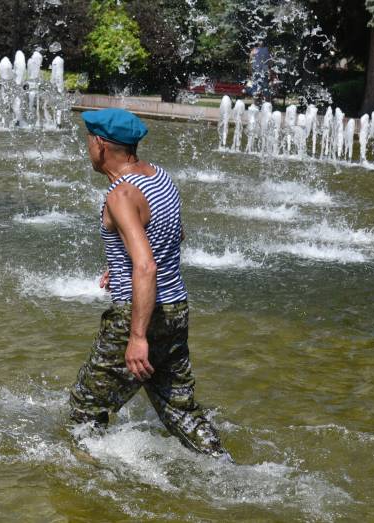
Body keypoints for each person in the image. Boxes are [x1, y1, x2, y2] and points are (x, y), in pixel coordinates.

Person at [68, 108, 230, 460]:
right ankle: (227, 471)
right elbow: (174, 235)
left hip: (139, 315)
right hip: (175, 310)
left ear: (100, 145)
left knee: (84, 409)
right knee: (179, 410)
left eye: (88, 142)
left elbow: (146, 265)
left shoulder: (121, 194)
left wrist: (137, 336)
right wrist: (119, 265)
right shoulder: (159, 177)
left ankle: (90, 489)